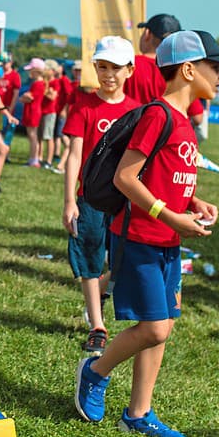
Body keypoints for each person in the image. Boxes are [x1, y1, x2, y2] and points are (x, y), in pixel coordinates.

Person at [75, 30, 219, 437]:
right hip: (141, 238)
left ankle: (138, 412)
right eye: (216, 68)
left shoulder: (184, 122)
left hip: (167, 239)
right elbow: (125, 177)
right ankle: (94, 372)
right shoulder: (158, 114)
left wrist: (194, 202)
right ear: (188, 70)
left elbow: (164, 177)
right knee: (155, 328)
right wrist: (170, 216)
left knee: (163, 323)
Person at [63, 36, 140, 356]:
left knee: (124, 261)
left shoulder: (137, 111)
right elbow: (74, 155)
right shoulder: (84, 106)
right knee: (90, 259)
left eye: (116, 68)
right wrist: (69, 200)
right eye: (103, 67)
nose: (108, 74)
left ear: (130, 71)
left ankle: (98, 295)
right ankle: (97, 324)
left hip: (124, 199)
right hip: (90, 199)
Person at [125, 14, 181, 104]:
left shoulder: (128, 65)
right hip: (167, 117)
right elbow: (198, 115)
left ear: (147, 33)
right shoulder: (180, 70)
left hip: (132, 117)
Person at [19, 58, 46, 167]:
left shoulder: (38, 84)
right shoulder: (36, 83)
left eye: (31, 70)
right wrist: (25, 96)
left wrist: (25, 96)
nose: (29, 72)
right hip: (32, 111)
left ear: (37, 71)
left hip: (33, 112)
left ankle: (34, 159)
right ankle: (33, 158)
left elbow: (29, 98)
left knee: (32, 136)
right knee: (32, 136)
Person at [0, 54, 21, 146]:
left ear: (11, 62)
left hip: (8, 107)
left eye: (5, 63)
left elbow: (15, 94)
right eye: (2, 63)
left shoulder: (15, 75)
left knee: (6, 131)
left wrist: (11, 108)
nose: (3, 65)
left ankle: (4, 152)